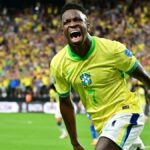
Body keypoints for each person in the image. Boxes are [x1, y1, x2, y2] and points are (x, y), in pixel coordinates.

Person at [50, 2, 150, 150]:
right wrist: (74, 142)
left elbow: (143, 76)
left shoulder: (112, 49)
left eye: (77, 20)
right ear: (63, 30)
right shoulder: (58, 63)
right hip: (103, 125)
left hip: (127, 112)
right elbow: (65, 103)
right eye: (67, 22)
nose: (72, 24)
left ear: (87, 25)